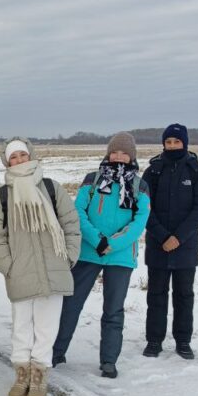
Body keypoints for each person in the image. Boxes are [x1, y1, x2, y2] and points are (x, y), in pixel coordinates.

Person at [0, 138, 81, 396]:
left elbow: (71, 224)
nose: (19, 160)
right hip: (21, 272)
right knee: (21, 327)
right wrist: (9, 267)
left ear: (30, 156)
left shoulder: (52, 188)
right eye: (13, 157)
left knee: (46, 327)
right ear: (7, 162)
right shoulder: (1, 197)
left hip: (54, 269)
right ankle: (21, 374)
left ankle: (39, 375)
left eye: (22, 154)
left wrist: (68, 257)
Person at [51, 133, 151, 379]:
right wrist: (97, 240)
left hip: (120, 256)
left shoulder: (140, 186)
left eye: (124, 153)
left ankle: (108, 360)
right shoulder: (92, 180)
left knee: (113, 310)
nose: (118, 157)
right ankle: (55, 351)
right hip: (89, 252)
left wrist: (112, 244)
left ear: (131, 156)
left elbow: (140, 222)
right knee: (70, 304)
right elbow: (78, 212)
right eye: (114, 152)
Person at [141, 124, 198, 360]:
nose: (172, 146)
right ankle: (154, 341)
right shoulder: (153, 171)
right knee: (156, 295)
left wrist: (178, 237)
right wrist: (163, 236)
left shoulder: (196, 171)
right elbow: (144, 208)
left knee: (184, 295)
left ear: (185, 143)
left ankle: (183, 341)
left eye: (176, 142)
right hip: (158, 245)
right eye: (168, 142)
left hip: (185, 246)